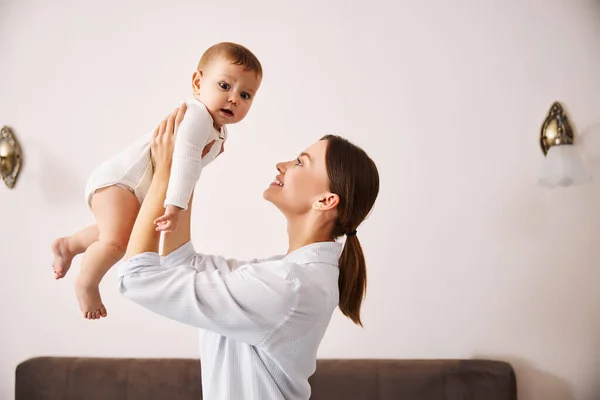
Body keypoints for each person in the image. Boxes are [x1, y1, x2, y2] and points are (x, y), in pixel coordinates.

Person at [119, 104, 380, 400]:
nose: (282, 164)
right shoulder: (287, 275)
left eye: (299, 163)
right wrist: (187, 167)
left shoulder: (288, 286)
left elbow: (136, 278)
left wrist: (165, 173)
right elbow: (183, 262)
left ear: (325, 200)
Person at [50, 43, 263, 320]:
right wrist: (174, 207)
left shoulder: (218, 131)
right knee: (117, 243)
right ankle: (86, 284)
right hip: (122, 182)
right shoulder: (197, 115)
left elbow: (190, 166)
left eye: (245, 95)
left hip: (134, 189)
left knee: (118, 234)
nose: (234, 98)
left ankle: (68, 245)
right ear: (198, 83)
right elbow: (184, 163)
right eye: (225, 86)